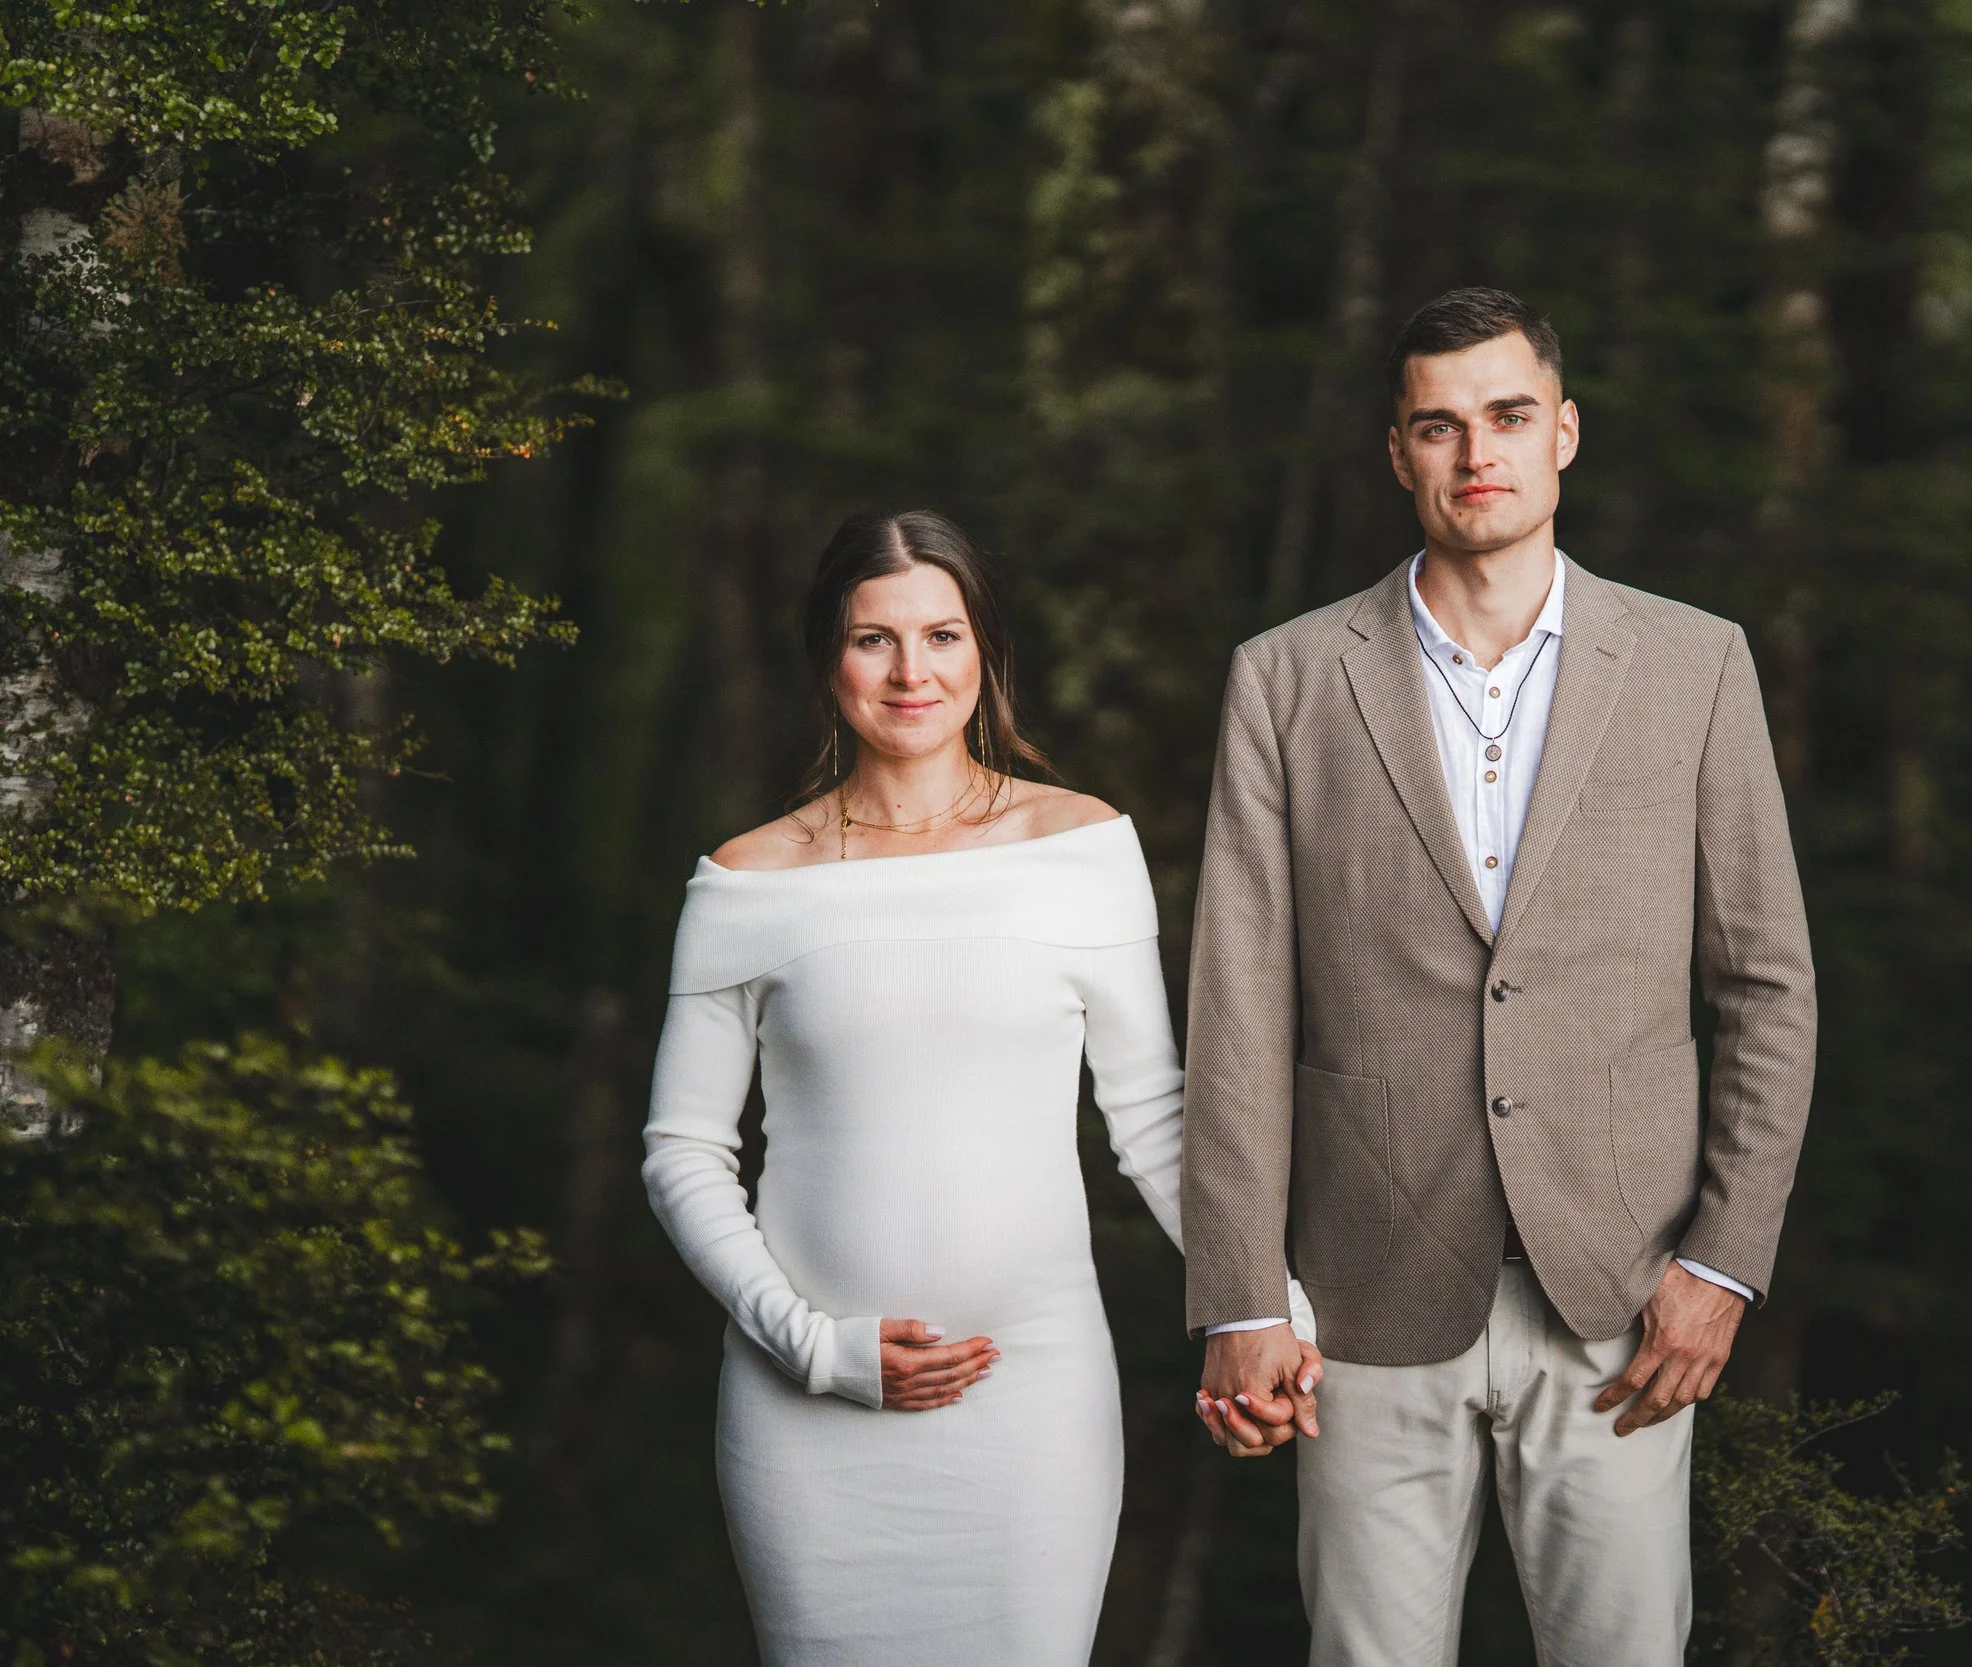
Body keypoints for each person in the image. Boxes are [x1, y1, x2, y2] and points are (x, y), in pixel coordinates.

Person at [1182, 288, 1818, 1666]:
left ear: (1565, 433)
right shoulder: (1284, 680)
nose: (1478, 450)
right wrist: (1239, 1292)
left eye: (1509, 416)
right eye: (1439, 424)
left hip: (1625, 1297)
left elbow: (1767, 982)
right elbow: (1238, 1007)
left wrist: (1723, 1261)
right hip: (1359, 1301)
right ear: (1397, 452)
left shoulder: (1697, 664)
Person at [641, 509, 1312, 1665]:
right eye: (875, 640)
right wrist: (811, 1344)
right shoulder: (747, 881)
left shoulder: (1080, 845)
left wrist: (1267, 1308)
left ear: (985, 652)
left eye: (943, 635)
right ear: (827, 659)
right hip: (805, 1411)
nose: (913, 673)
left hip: (1033, 1401)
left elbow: (1152, 1116)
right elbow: (682, 1150)